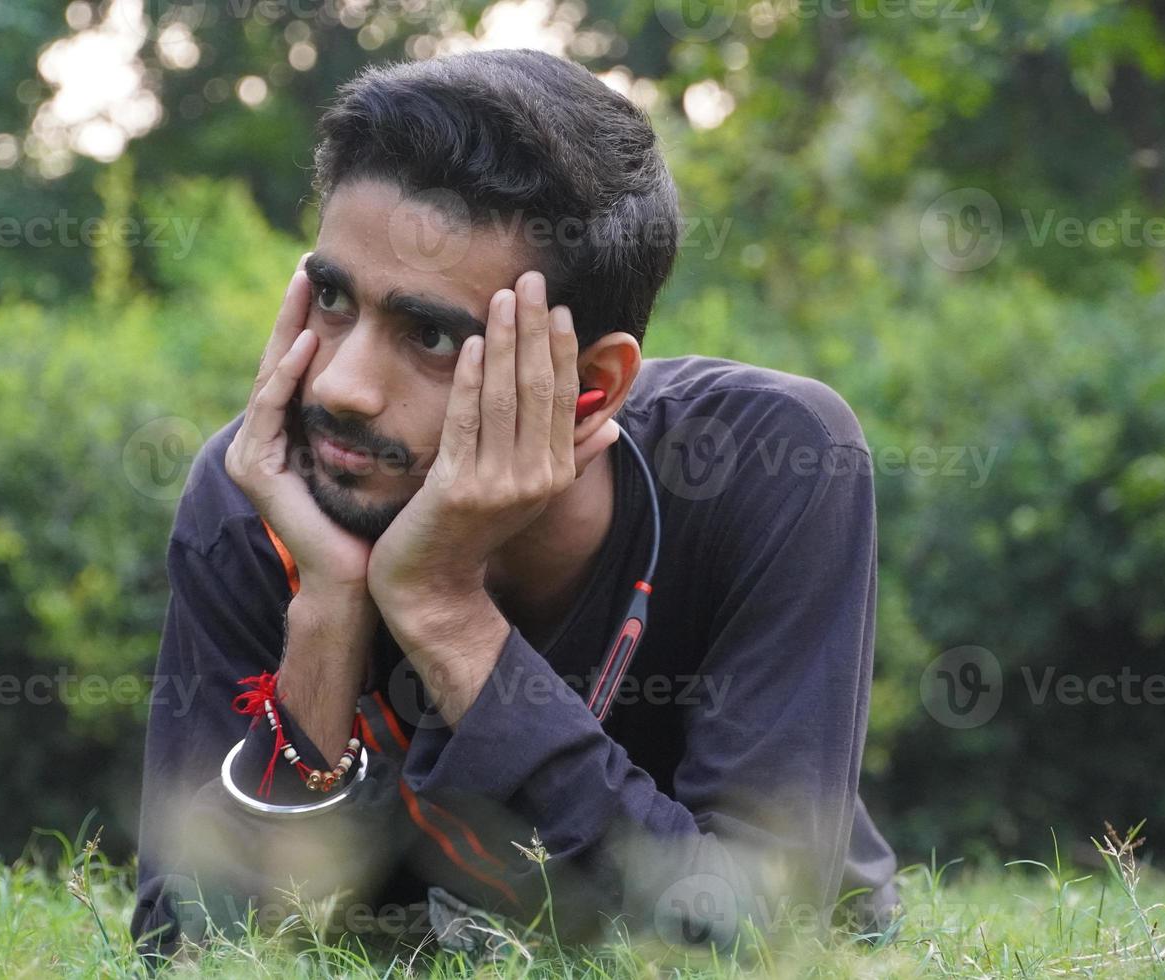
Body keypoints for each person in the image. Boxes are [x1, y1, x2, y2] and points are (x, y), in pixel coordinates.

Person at [131, 47, 899, 967]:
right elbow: (189, 946)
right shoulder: (266, 490)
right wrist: (328, 611)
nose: (340, 386)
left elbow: (746, 940)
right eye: (333, 298)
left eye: (429, 335)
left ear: (593, 386)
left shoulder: (768, 464)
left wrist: (444, 610)